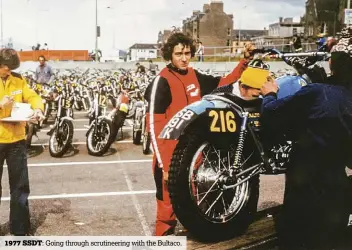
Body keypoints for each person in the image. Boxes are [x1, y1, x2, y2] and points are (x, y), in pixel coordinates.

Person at [144, 32, 256, 236]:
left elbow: (225, 83)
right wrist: (165, 165)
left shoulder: (196, 76)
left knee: (195, 208)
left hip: (195, 157)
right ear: (170, 55)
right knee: (166, 211)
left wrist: (244, 62)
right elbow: (153, 124)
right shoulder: (162, 81)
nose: (184, 58)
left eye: (187, 53)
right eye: (179, 54)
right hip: (168, 158)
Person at [260, 26, 352, 249]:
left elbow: (272, 114)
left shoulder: (317, 92)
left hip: (304, 192)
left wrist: (269, 93)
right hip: (337, 197)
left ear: (333, 63)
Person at [0, 48, 44, 235]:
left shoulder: (18, 79)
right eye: (6, 68)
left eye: (11, 68)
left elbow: (32, 96)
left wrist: (39, 109)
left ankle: (20, 230)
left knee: (19, 186)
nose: (9, 71)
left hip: (17, 140)